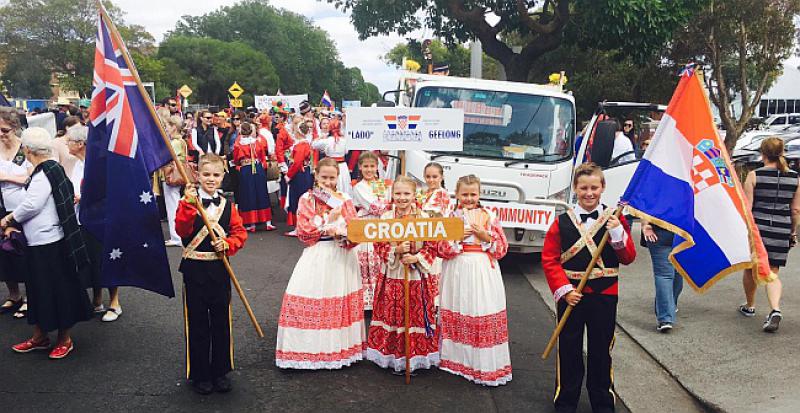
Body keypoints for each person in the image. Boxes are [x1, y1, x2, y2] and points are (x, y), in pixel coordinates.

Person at [541, 162, 636, 413]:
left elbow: (628, 258)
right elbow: (549, 260)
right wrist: (564, 290)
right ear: (575, 188)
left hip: (605, 297)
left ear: (603, 187)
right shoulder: (560, 223)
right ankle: (566, 401)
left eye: (594, 187)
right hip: (571, 296)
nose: (589, 193)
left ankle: (603, 403)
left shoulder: (616, 220)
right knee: (569, 349)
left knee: (601, 351)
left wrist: (618, 234)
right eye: (584, 188)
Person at [1, 127, 93, 360]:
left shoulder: (44, 174)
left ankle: (64, 339)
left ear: (28, 150)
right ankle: (40, 336)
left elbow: (32, 204)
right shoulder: (52, 168)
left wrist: (10, 218)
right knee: (40, 290)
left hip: (48, 244)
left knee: (55, 291)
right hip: (43, 241)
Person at [275, 157, 365, 369]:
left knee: (338, 297)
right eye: (324, 177)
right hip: (319, 253)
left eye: (332, 178)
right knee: (311, 294)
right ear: (316, 175)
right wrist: (328, 223)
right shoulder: (308, 198)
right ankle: (307, 350)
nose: (328, 182)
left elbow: (354, 227)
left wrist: (345, 234)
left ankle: (338, 349)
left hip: (341, 254)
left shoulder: (343, 198)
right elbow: (304, 230)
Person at [174, 154, 248, 394]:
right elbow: (181, 229)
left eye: (216, 175)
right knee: (197, 323)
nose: (211, 179)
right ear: (198, 175)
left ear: (223, 176)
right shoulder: (188, 202)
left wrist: (227, 244)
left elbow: (239, 233)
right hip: (195, 270)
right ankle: (200, 374)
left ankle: (220, 371)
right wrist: (188, 204)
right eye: (206, 175)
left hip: (219, 269)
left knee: (220, 322)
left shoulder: (229, 205)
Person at [432, 174, 511, 386]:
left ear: (480, 193)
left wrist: (485, 236)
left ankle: (482, 362)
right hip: (457, 266)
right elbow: (439, 248)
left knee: (479, 308)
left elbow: (502, 249)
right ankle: (456, 359)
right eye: (464, 194)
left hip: (482, 267)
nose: (469, 198)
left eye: (473, 194)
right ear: (456, 194)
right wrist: (456, 238)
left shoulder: (490, 216)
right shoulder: (449, 216)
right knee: (459, 306)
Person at [367, 176, 440, 373]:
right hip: (393, 273)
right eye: (398, 193)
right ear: (392, 195)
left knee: (413, 313)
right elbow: (378, 244)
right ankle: (392, 357)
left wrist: (416, 258)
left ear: (414, 194)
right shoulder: (385, 218)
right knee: (393, 313)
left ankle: (414, 358)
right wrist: (396, 250)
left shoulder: (424, 218)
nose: (402, 198)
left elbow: (433, 246)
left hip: (416, 275)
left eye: (406, 193)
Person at [64, 124, 124, 322]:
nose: (66, 143)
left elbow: (109, 192)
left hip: (101, 220)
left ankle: (114, 302)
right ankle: (97, 300)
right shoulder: (78, 164)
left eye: (70, 141)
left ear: (81, 144)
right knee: (91, 260)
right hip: (82, 220)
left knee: (105, 259)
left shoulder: (99, 165)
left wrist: (83, 197)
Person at [740, 137, 800, 333]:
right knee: (772, 270)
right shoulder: (795, 177)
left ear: (762, 153)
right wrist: (792, 232)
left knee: (750, 268)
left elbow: (747, 208)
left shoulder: (754, 175)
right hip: (781, 229)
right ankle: (775, 309)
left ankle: (750, 306)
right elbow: (796, 210)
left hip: (758, 229)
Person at [351, 152, 393, 310]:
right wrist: (392, 208)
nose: (369, 170)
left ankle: (380, 297)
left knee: (380, 259)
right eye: (366, 166)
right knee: (368, 259)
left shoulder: (380, 183)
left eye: (372, 166)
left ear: (377, 167)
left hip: (381, 224)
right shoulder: (359, 187)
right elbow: (375, 206)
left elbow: (386, 200)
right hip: (367, 224)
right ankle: (367, 302)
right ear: (360, 167)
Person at [0, 107, 31, 318]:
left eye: (4, 130)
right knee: (4, 252)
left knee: (24, 252)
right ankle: (14, 295)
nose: (1, 135)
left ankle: (30, 297)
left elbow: (30, 178)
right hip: (2, 206)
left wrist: (5, 177)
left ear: (15, 127)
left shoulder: (25, 148)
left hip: (22, 208)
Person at [418, 162, 452, 305]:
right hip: (425, 237)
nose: (431, 180)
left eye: (434, 176)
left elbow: (431, 216)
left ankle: (434, 307)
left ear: (441, 177)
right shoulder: (425, 193)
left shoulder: (441, 193)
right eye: (428, 176)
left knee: (433, 273)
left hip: (435, 239)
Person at [642, 218, 682, 332]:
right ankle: (669, 306)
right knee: (678, 272)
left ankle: (665, 317)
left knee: (664, 275)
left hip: (659, 231)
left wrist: (645, 224)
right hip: (682, 232)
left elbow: (645, 202)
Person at [232, 122, 274, 231]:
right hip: (258, 168)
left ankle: (252, 224)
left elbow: (236, 159)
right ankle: (267, 222)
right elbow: (261, 156)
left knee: (249, 194)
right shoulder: (257, 142)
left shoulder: (238, 144)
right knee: (262, 192)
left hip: (246, 169)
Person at [161, 115, 188, 247]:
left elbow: (166, 157)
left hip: (172, 176)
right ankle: (177, 235)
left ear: (174, 127)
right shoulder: (181, 141)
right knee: (175, 203)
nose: (165, 129)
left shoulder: (175, 143)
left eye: (167, 126)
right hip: (177, 175)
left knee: (172, 205)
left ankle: (176, 236)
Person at [284, 122, 314, 237]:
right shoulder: (305, 144)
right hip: (304, 173)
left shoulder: (301, 145)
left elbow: (297, 163)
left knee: (298, 199)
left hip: (299, 175)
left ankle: (299, 227)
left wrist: (289, 175)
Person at [311, 117, 350, 194]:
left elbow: (313, 145)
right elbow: (346, 152)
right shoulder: (344, 140)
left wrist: (321, 137)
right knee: (343, 187)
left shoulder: (326, 141)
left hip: (329, 166)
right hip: (342, 167)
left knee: (327, 184)